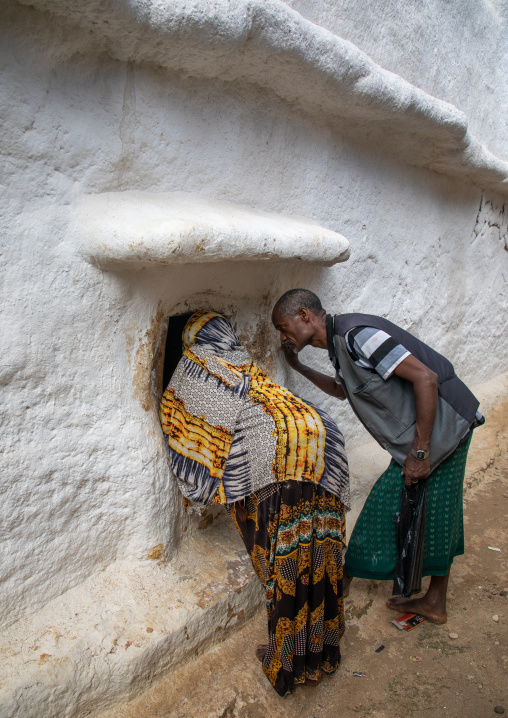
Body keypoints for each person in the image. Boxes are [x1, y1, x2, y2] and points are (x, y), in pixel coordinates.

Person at [159, 311, 350, 696]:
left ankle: (287, 662)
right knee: (319, 558)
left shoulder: (200, 371)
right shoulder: (250, 369)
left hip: (281, 468)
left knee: (284, 564)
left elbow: (191, 437)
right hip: (322, 446)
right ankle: (321, 654)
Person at [271, 289, 484, 625]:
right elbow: (343, 391)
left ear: (305, 315)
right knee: (438, 509)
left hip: (447, 426)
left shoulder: (359, 335)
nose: (284, 336)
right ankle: (434, 600)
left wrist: (419, 452)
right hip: (424, 436)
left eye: (284, 327)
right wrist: (297, 366)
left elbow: (426, 379)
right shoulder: (341, 346)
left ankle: (337, 591)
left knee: (390, 506)